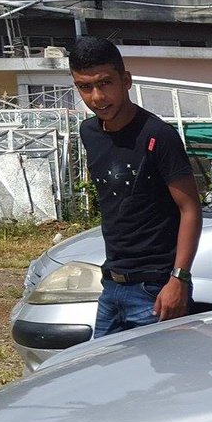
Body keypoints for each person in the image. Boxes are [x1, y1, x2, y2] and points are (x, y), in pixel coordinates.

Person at [68, 36, 202, 337]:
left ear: (126, 80)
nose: (97, 97)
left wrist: (178, 279)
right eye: (85, 87)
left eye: (105, 83)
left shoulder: (158, 135)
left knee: (168, 369)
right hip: (112, 285)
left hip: (156, 289)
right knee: (102, 365)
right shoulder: (89, 132)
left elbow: (190, 208)